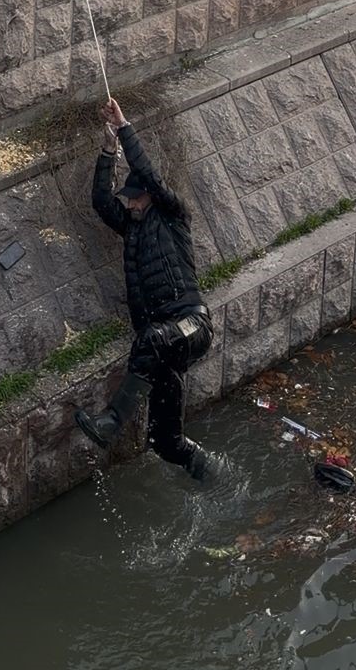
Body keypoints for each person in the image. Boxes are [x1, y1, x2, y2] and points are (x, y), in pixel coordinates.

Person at [75, 97, 215, 482]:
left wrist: (123, 127)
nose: (130, 203)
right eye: (130, 198)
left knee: (152, 337)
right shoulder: (133, 229)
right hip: (161, 346)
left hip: (191, 325)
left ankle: (112, 422)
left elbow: (149, 174)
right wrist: (107, 151)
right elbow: (102, 202)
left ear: (150, 197)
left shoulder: (173, 216)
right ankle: (214, 474)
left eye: (135, 196)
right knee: (164, 441)